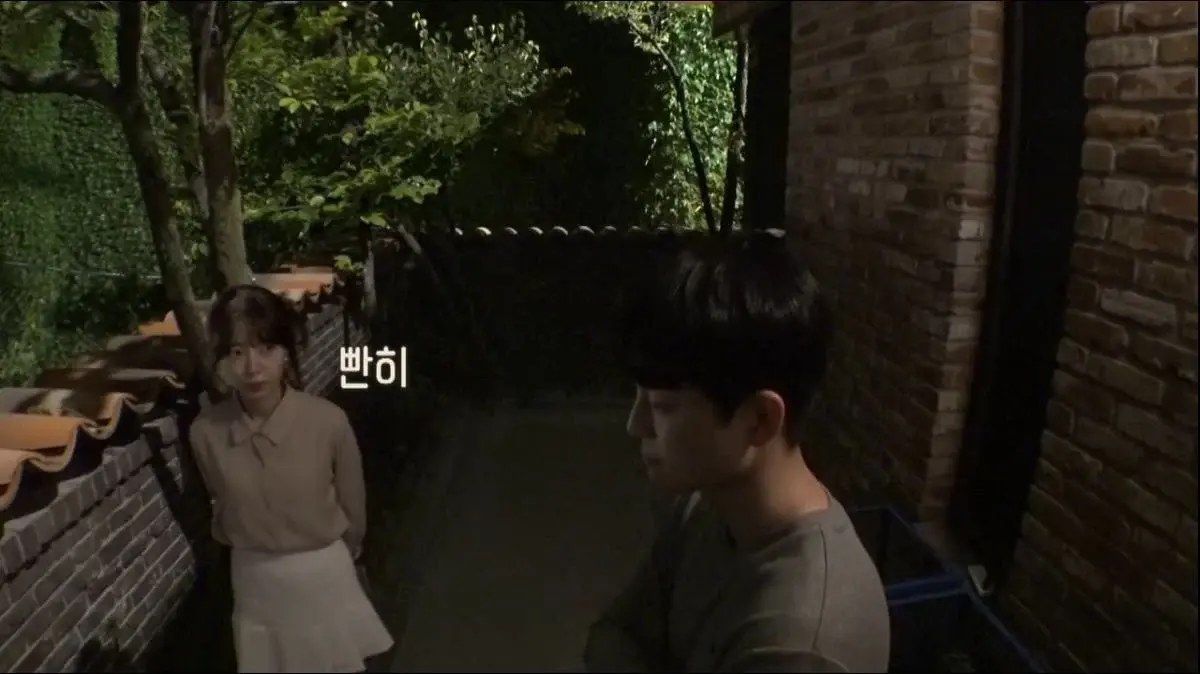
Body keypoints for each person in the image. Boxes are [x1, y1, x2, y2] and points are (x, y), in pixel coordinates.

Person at [584, 233, 890, 673]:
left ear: (760, 420)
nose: (636, 425)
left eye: (663, 407)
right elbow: (615, 633)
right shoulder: (704, 506)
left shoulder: (800, 640)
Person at [188, 284, 393, 673]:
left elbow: (354, 512)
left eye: (266, 348)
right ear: (222, 360)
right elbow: (220, 499)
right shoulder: (205, 432)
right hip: (255, 584)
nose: (253, 367)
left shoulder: (328, 421)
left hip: (323, 576)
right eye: (237, 352)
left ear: (286, 352)